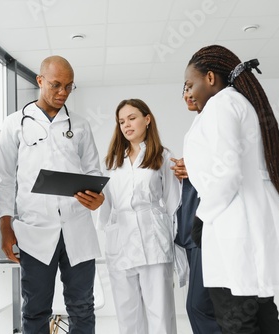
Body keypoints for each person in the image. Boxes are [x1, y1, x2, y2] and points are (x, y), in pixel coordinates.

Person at [182, 44, 279, 333]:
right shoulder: (238, 103)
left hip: (233, 224)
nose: (188, 92)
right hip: (249, 222)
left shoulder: (222, 105)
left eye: (191, 84)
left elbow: (227, 171)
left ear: (210, 78)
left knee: (236, 321)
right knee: (262, 315)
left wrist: (202, 215)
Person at [0, 55, 104, 333]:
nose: (63, 93)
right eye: (56, 85)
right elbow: (5, 179)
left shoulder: (79, 125)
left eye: (69, 87)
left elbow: (93, 172)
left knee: (82, 307)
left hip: (77, 227)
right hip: (34, 231)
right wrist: (6, 228)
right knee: (34, 310)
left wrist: (98, 198)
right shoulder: (14, 123)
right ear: (40, 80)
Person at [97, 99, 181, 334]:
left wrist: (176, 241)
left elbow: (174, 203)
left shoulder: (162, 156)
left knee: (160, 315)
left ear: (147, 119)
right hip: (121, 242)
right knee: (128, 316)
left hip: (154, 241)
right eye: (121, 121)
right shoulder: (112, 161)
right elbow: (107, 207)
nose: (126, 125)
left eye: (132, 118)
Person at [171, 86, 222, 334]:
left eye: (191, 86)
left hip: (206, 225)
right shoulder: (198, 123)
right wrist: (186, 169)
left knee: (199, 306)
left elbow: (226, 166)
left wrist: (193, 168)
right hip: (192, 226)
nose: (187, 94)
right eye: (184, 89)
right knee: (201, 305)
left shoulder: (217, 120)